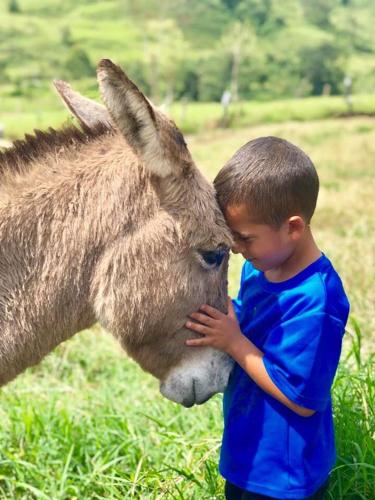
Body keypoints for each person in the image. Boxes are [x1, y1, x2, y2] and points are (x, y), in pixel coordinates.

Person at [185, 136, 350, 500]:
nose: (236, 249)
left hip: (285, 474)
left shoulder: (315, 301)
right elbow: (255, 326)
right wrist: (230, 316)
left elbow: (301, 398)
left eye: (245, 238)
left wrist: (233, 341)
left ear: (293, 228)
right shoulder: (260, 269)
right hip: (248, 454)